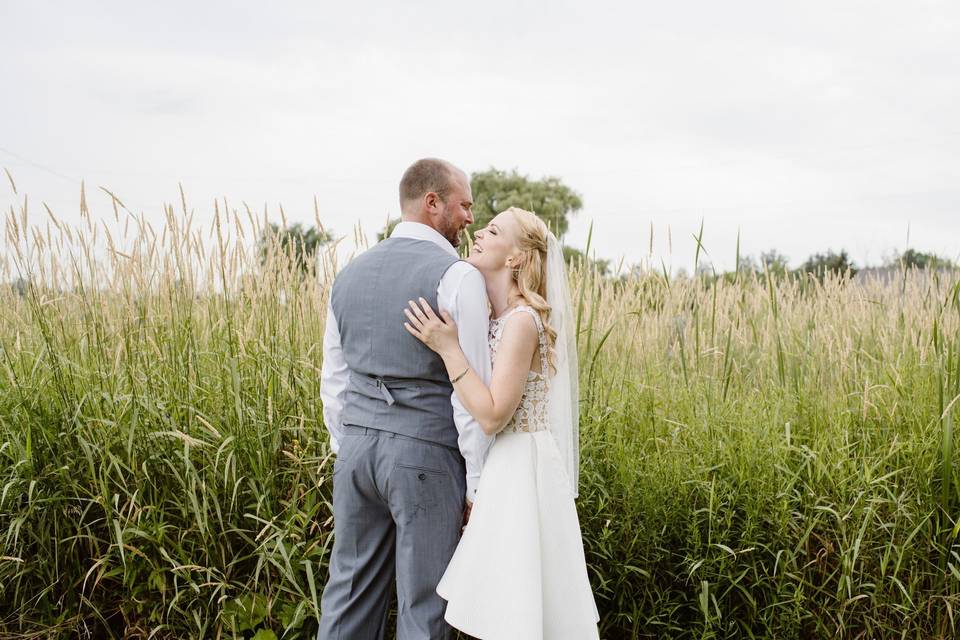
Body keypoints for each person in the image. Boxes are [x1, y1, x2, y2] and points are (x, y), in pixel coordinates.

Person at [403, 207, 600, 639]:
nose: (478, 233)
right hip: (502, 469)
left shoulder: (522, 322)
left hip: (520, 473)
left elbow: (493, 415)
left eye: (492, 230)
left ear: (515, 258)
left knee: (515, 607)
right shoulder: (499, 319)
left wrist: (448, 348)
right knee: (496, 607)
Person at [318, 158, 494, 639]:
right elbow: (470, 389)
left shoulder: (348, 274)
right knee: (425, 602)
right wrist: (476, 484)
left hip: (355, 453)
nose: (470, 218)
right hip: (425, 455)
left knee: (348, 593)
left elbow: (334, 380)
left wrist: (350, 446)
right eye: (464, 205)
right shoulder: (457, 277)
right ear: (432, 202)